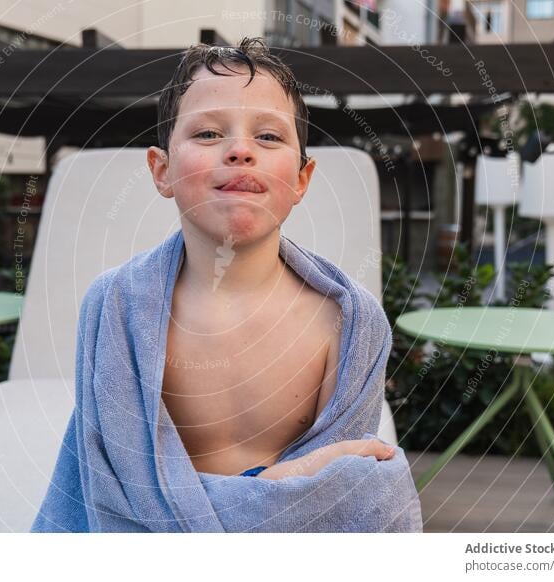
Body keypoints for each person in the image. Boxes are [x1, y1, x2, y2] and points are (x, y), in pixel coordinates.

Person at [145, 37, 395, 480]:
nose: (241, 150)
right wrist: (275, 481)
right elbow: (113, 484)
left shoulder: (348, 323)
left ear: (301, 179)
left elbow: (337, 491)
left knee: (385, 478)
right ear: (162, 171)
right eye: (207, 133)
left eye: (267, 136)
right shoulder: (117, 310)